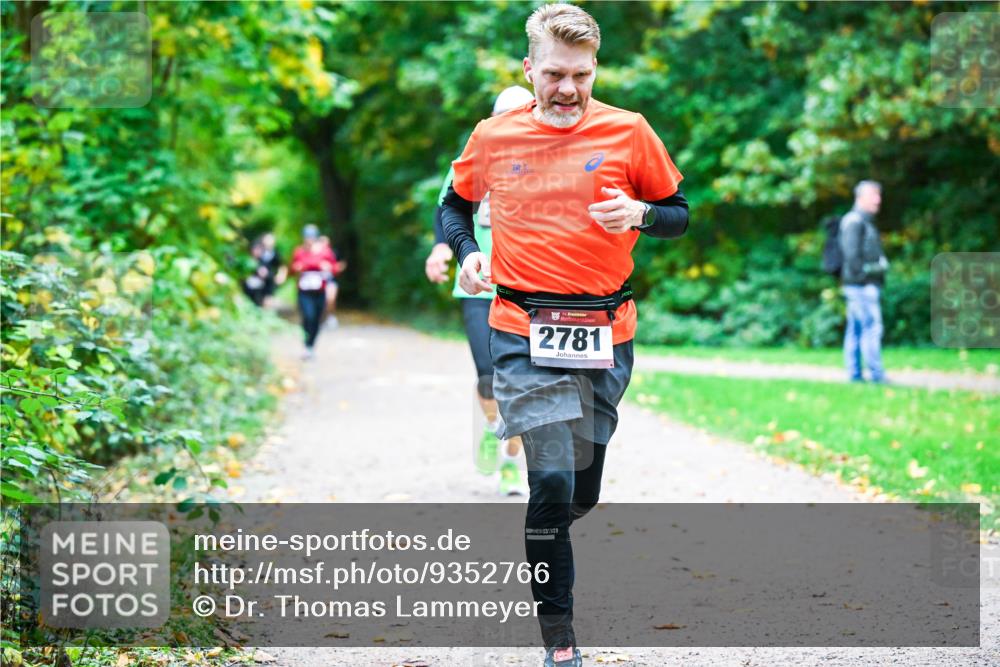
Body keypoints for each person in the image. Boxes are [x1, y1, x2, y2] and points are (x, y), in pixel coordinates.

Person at [441, 5, 689, 665]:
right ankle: (560, 641)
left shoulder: (629, 131)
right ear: (529, 69)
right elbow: (453, 203)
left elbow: (679, 214)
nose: (568, 88)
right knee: (550, 482)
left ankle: (542, 534)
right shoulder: (495, 135)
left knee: (580, 490)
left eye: (580, 74)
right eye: (554, 74)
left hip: (608, 331)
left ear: (594, 69)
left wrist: (640, 211)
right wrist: (466, 250)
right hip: (521, 327)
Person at [425, 85, 536, 496]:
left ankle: (510, 459)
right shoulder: (477, 154)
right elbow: (447, 207)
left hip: (527, 287)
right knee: (489, 378)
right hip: (478, 285)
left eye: (521, 112)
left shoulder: (546, 158)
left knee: (521, 381)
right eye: (503, 114)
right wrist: (441, 247)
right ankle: (493, 427)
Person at [839, 180, 889, 383]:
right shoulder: (854, 222)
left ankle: (855, 375)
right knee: (871, 328)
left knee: (857, 330)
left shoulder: (863, 221)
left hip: (859, 285)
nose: (878, 200)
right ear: (860, 198)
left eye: (879, 195)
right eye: (873, 196)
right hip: (861, 286)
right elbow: (852, 257)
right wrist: (870, 273)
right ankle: (876, 376)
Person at [290, 225, 339, 359]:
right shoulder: (299, 252)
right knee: (308, 316)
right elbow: (292, 269)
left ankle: (311, 345)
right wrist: (298, 268)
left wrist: (328, 267)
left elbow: (335, 268)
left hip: (319, 291)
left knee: (317, 319)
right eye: (307, 237)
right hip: (304, 291)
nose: (309, 240)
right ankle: (306, 345)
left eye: (311, 237)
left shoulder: (325, 252)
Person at [317, 235, 348, 329]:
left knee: (331, 299)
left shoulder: (333, 253)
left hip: (331, 280)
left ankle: (331, 317)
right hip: (318, 282)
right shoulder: (315, 254)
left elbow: (342, 263)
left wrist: (335, 268)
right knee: (320, 302)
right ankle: (320, 319)